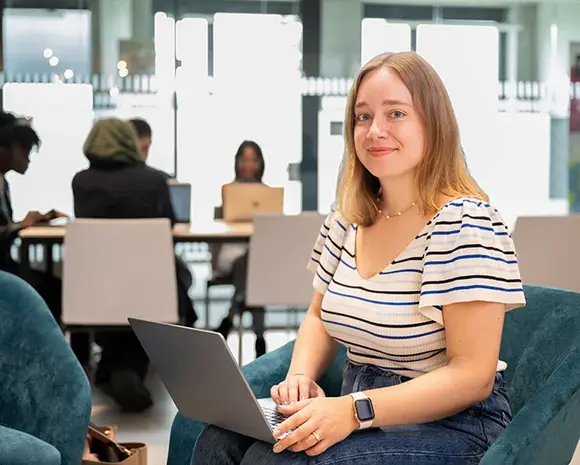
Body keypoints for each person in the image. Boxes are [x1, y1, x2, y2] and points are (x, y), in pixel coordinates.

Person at [192, 51, 527, 464]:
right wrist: (299, 377)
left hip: (453, 425)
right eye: (363, 117)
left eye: (397, 113)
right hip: (360, 411)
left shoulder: (465, 224)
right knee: (217, 440)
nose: (375, 131)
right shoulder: (350, 216)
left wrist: (352, 411)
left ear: (434, 124)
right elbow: (319, 317)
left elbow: (472, 377)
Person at [72, 118, 197, 412]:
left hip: (96, 288)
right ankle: (124, 371)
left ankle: (110, 370)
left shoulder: (81, 181)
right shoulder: (154, 181)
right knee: (153, 297)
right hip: (148, 288)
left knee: (122, 306)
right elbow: (170, 225)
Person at [0, 112, 65, 320]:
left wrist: (27, 223)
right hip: (4, 272)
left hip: (7, 268)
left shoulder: (3, 183)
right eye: (24, 150)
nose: (27, 158)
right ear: (6, 148)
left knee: (55, 287)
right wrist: (19, 225)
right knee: (54, 290)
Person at [212, 140, 267, 358]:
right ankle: (260, 338)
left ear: (260, 163)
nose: (248, 165)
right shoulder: (228, 192)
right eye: (244, 159)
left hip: (256, 257)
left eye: (253, 160)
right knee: (252, 268)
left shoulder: (267, 194)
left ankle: (231, 314)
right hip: (231, 253)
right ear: (237, 162)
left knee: (255, 266)